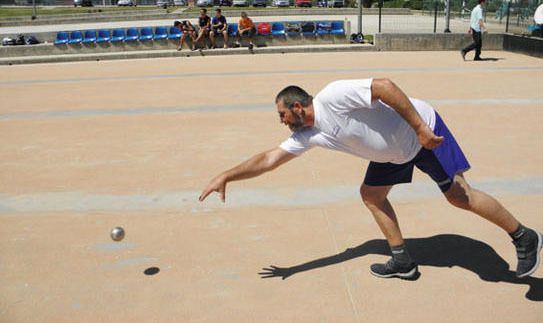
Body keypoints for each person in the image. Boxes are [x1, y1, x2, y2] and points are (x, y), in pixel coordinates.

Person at [199, 78, 542, 280]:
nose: (282, 121)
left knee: (457, 196)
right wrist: (227, 175)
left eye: (282, 114)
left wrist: (421, 128)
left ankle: (524, 237)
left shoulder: (333, 96)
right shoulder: (308, 134)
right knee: (371, 194)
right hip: (393, 154)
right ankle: (403, 261)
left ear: (298, 106)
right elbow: (269, 158)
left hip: (422, 131)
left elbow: (384, 86)